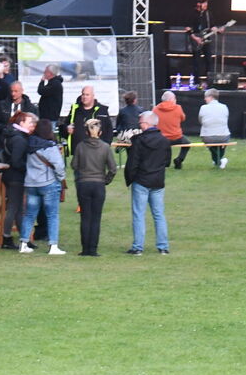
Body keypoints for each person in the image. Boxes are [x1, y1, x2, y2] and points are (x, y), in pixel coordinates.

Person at [125, 111, 171, 255]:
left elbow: (132, 162)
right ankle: (163, 246)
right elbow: (167, 162)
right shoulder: (164, 141)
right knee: (159, 214)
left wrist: (130, 178)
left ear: (145, 124)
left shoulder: (138, 140)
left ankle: (138, 247)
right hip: (158, 181)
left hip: (141, 180)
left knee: (139, 214)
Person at [19, 118, 65, 255]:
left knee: (29, 215)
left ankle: (23, 243)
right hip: (48, 182)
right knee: (52, 215)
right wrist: (61, 179)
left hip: (31, 183)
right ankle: (53, 245)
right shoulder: (50, 146)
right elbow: (59, 165)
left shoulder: (29, 144)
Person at [71, 118, 116, 256]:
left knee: (85, 217)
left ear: (86, 132)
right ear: (101, 132)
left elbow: (74, 165)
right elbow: (113, 169)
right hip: (98, 184)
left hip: (84, 183)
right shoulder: (105, 147)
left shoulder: (80, 146)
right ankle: (93, 249)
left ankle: (85, 249)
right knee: (96, 218)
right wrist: (105, 180)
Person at [0, 111, 35, 249]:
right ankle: (6, 238)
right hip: (16, 177)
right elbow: (16, 161)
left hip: (10, 176)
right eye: (29, 122)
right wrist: (28, 168)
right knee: (14, 208)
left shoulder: (12, 135)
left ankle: (23, 238)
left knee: (18, 208)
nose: (31, 124)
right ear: (21, 123)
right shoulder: (20, 139)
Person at [63, 85, 113, 157]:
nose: (84, 97)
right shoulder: (75, 109)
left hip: (96, 152)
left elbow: (109, 130)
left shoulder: (102, 110)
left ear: (93, 96)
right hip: (78, 151)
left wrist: (106, 147)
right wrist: (67, 129)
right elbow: (65, 125)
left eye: (87, 95)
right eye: (83, 94)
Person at [186, 0, 222, 82]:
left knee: (209, 60)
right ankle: (196, 82)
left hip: (206, 39)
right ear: (198, 4)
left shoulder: (208, 14)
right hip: (196, 39)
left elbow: (212, 26)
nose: (206, 5)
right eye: (204, 3)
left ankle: (209, 81)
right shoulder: (192, 14)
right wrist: (195, 38)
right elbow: (188, 28)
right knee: (196, 62)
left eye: (206, 3)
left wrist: (218, 30)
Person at [153, 90, 191, 169]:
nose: (175, 100)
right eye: (174, 99)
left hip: (161, 137)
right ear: (171, 99)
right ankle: (179, 159)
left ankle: (166, 163)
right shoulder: (178, 108)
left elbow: (153, 122)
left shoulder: (155, 109)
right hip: (176, 137)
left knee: (166, 143)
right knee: (187, 143)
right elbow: (183, 118)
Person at [0, 80, 37, 147]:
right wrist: (6, 128)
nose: (13, 94)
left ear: (22, 91)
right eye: (11, 91)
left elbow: (35, 124)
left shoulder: (31, 108)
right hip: (4, 140)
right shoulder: (1, 105)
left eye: (16, 91)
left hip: (25, 141)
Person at [199, 88, 231, 168]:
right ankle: (219, 161)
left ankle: (218, 161)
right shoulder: (224, 107)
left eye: (206, 97)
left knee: (211, 142)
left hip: (207, 137)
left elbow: (201, 121)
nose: (204, 99)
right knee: (221, 141)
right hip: (223, 137)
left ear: (211, 97)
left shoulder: (203, 108)